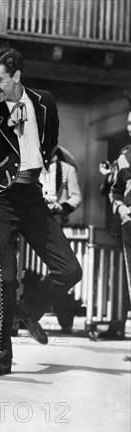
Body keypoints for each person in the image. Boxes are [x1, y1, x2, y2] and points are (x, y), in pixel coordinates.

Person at [0, 47, 83, 376]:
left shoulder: (45, 102)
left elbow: (49, 141)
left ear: (16, 77)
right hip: (2, 200)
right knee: (6, 280)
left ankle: (30, 309)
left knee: (69, 270)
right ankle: (2, 355)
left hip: (34, 198)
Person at [40, 146, 82, 333]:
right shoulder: (32, 166)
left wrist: (61, 206)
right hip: (34, 223)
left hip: (58, 224)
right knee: (32, 273)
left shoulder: (67, 169)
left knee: (62, 272)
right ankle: (28, 317)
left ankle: (65, 322)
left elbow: (76, 197)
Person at [109, 110, 131, 356]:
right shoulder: (124, 156)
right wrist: (121, 208)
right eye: (128, 122)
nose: (130, 127)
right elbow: (115, 190)